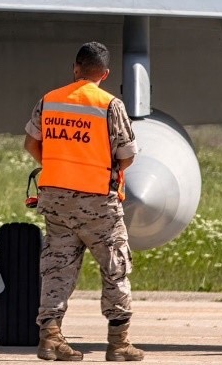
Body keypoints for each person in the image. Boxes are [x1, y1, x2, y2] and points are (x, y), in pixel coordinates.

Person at [23, 41, 144, 362]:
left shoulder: (50, 100)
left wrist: (57, 165)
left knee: (57, 269)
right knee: (115, 269)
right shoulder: (109, 105)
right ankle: (119, 344)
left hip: (56, 200)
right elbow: (127, 155)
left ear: (76, 68)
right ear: (104, 74)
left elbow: (31, 143)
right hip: (97, 204)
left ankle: (50, 338)